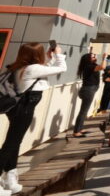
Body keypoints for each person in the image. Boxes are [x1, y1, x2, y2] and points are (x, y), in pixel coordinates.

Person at [0, 43, 66, 195]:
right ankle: (6, 177)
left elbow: (43, 70)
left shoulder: (20, 67)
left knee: (14, 142)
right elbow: (62, 68)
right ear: (37, 55)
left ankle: (10, 177)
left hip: (17, 108)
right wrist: (59, 55)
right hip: (24, 109)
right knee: (11, 144)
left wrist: (50, 59)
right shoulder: (32, 69)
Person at [73, 52, 107, 138]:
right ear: (88, 59)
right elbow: (103, 67)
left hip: (88, 90)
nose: (95, 57)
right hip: (88, 90)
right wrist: (104, 58)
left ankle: (80, 129)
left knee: (84, 111)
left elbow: (102, 67)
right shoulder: (89, 67)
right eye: (93, 57)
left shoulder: (91, 66)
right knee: (83, 111)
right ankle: (76, 131)